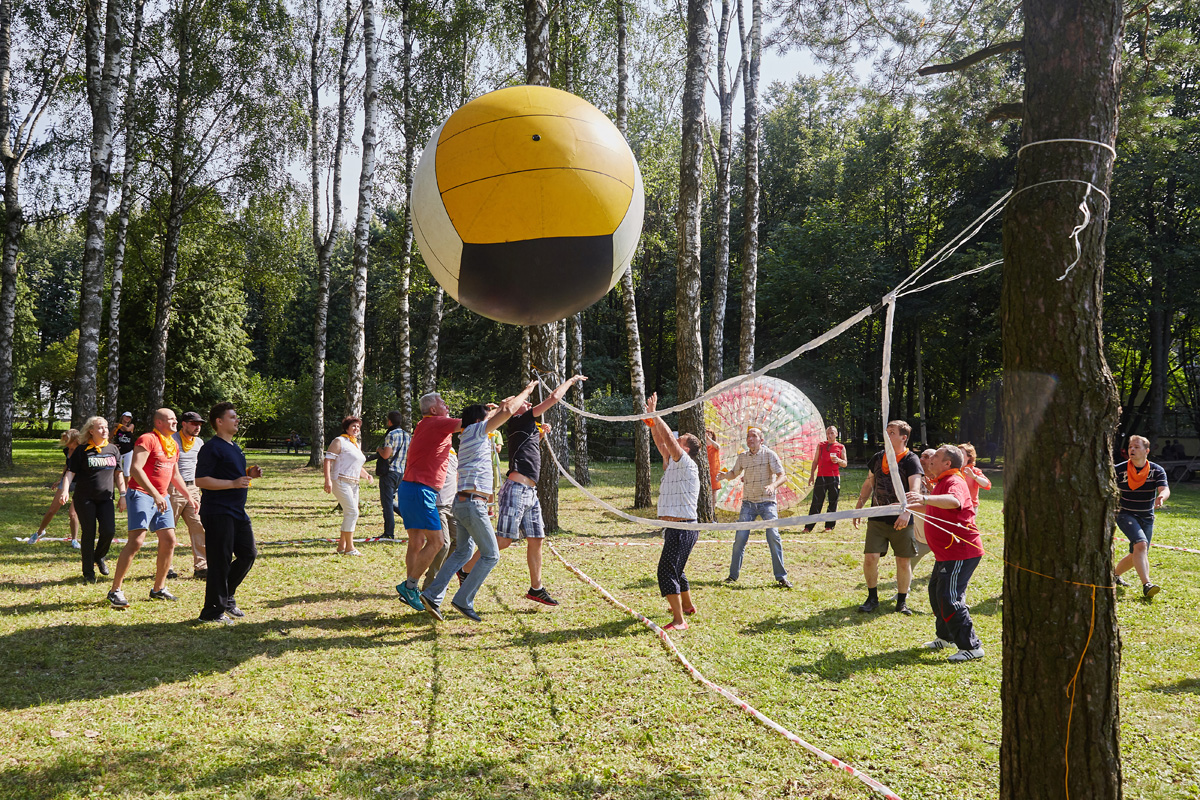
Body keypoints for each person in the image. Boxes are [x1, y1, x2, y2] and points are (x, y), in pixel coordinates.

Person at [461, 373, 587, 606]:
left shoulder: (524, 424)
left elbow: (526, 450)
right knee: (504, 540)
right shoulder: (521, 418)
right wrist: (571, 380)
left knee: (537, 538)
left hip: (530, 492)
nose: (528, 404)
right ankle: (465, 570)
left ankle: (536, 588)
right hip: (516, 489)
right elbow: (554, 397)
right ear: (516, 409)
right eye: (525, 403)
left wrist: (539, 435)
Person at [420, 382, 538, 621]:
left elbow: (499, 414)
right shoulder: (476, 431)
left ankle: (432, 594)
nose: (491, 422)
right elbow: (504, 415)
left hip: (463, 503)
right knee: (491, 555)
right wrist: (526, 391)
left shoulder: (470, 435)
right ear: (479, 421)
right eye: (486, 418)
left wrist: (501, 406)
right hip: (472, 504)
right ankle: (463, 600)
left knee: (463, 551)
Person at [107, 408, 198, 608]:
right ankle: (115, 590)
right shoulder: (147, 439)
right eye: (171, 419)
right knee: (137, 541)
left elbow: (175, 475)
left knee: (169, 540)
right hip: (141, 493)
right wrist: (155, 494)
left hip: (162, 496)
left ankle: (159, 589)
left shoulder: (173, 444)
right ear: (159, 423)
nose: (175, 422)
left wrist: (188, 496)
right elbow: (135, 469)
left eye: (176, 419)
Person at [905, 444, 985, 662]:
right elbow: (934, 508)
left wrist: (924, 498)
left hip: (961, 552)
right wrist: (908, 506)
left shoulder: (954, 481)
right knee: (936, 593)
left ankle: (972, 646)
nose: (930, 459)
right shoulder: (941, 482)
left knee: (950, 598)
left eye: (936, 457)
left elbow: (954, 502)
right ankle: (946, 636)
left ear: (947, 463)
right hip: (945, 553)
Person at [395, 393, 464, 611]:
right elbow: (471, 423)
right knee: (438, 543)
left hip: (409, 488)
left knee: (416, 542)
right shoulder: (437, 422)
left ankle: (410, 589)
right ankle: (411, 586)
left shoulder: (424, 424)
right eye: (443, 403)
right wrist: (499, 410)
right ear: (433, 410)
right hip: (421, 490)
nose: (447, 406)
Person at [195, 402, 262, 624]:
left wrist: (247, 473)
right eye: (232, 417)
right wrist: (233, 483)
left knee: (248, 553)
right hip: (217, 512)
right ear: (219, 422)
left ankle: (227, 596)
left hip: (236, 511)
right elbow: (201, 480)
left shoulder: (234, 447)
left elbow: (230, 474)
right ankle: (212, 612)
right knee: (220, 561)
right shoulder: (211, 448)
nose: (237, 420)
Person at [852, 420, 924, 615]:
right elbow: (868, 484)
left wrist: (907, 512)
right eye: (886, 432)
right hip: (877, 516)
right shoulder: (877, 458)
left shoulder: (911, 459)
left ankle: (901, 602)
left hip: (902, 519)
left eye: (891, 432)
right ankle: (872, 597)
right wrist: (859, 507)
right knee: (870, 558)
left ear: (903, 437)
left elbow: (915, 491)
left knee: (902, 561)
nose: (887, 435)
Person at [645, 393, 701, 631]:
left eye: (682, 440)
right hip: (678, 527)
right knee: (677, 568)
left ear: (685, 448)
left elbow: (668, 437)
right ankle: (687, 606)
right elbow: (661, 441)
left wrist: (657, 415)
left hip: (683, 527)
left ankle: (679, 621)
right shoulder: (673, 461)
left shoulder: (685, 462)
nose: (677, 440)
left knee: (666, 570)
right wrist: (650, 419)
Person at [719, 426, 792, 589]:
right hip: (748, 504)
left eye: (753, 436)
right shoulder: (743, 457)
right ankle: (732, 576)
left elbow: (783, 476)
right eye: (748, 437)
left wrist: (773, 485)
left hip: (767, 503)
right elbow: (733, 473)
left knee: (773, 535)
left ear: (761, 440)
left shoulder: (769, 455)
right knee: (740, 539)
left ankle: (781, 577)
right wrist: (725, 476)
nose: (750, 439)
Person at [58, 416, 125, 582]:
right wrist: (65, 490)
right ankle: (88, 572)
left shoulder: (113, 449)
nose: (104, 430)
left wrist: (123, 495)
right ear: (91, 431)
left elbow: (119, 474)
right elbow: (70, 472)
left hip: (106, 498)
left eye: (106, 427)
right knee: (89, 533)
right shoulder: (82, 450)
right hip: (85, 498)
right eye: (100, 428)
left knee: (109, 531)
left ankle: (99, 556)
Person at [1114, 434, 1170, 600]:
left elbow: (1164, 489)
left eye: (1136, 447)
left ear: (1146, 451)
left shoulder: (1156, 470)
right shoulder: (1119, 469)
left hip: (1147, 516)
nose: (1132, 449)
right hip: (1125, 513)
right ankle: (1147, 585)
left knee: (1136, 553)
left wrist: (1161, 497)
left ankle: (1114, 575)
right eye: (1131, 446)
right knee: (1141, 545)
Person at [323, 416, 374, 556]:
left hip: (354, 483)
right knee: (353, 512)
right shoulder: (339, 441)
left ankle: (341, 545)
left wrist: (367, 475)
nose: (356, 429)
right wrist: (327, 480)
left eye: (358, 427)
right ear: (346, 428)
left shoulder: (356, 444)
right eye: (353, 426)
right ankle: (350, 548)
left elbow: (356, 465)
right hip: (340, 481)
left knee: (349, 513)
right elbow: (328, 460)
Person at [171, 411, 207, 579]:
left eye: (199, 424)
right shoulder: (171, 440)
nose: (197, 427)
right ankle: (167, 567)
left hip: (193, 489)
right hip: (172, 489)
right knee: (169, 529)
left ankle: (201, 567)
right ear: (183, 424)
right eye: (193, 423)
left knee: (199, 526)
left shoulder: (199, 443)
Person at [30, 430, 81, 545]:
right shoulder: (67, 450)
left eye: (67, 441)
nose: (65, 443)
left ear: (75, 440)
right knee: (52, 510)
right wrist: (60, 480)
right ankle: (39, 532)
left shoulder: (83, 450)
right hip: (67, 480)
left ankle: (74, 539)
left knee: (72, 513)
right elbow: (67, 465)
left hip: (80, 482)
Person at [422, 446, 458, 589]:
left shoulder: (453, 452)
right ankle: (431, 581)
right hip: (437, 504)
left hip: (452, 504)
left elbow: (455, 475)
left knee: (460, 542)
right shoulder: (433, 450)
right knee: (444, 544)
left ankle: (441, 575)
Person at [805, 426, 848, 532]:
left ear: (836, 434)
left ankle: (829, 526)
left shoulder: (840, 447)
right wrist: (811, 475)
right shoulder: (821, 445)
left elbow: (845, 463)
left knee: (833, 501)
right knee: (816, 501)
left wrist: (838, 460)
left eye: (832, 433)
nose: (830, 435)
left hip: (834, 477)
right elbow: (815, 461)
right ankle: (808, 527)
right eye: (828, 433)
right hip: (821, 477)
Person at [376, 411, 411, 539]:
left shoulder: (391, 434)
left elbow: (386, 454)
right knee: (392, 500)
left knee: (387, 504)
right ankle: (412, 520)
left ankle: (388, 532)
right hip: (401, 472)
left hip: (389, 472)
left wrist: (379, 450)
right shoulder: (407, 435)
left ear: (390, 421)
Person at [910, 448, 938, 569]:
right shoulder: (915, 478)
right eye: (921, 456)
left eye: (926, 457)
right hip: (921, 534)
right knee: (909, 561)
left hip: (940, 531)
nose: (921, 459)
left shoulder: (942, 479)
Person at [958, 442, 992, 526]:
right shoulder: (953, 470)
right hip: (954, 505)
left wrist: (974, 477)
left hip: (970, 507)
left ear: (969, 457)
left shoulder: (974, 471)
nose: (958, 455)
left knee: (967, 530)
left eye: (961, 453)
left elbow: (987, 485)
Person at [115, 411, 136, 478]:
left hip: (129, 450)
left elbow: (127, 429)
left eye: (129, 417)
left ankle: (126, 487)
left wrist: (119, 425)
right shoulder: (117, 428)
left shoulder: (131, 426)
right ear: (122, 417)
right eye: (126, 416)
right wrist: (113, 445)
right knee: (119, 469)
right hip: (119, 451)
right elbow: (109, 438)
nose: (127, 418)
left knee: (126, 470)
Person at [704, 430, 721, 496]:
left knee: (714, 491)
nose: (707, 434)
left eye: (709, 433)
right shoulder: (703, 446)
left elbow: (718, 447)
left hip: (714, 471)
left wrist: (709, 439)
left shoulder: (714, 445)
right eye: (706, 433)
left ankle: (713, 506)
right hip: (706, 470)